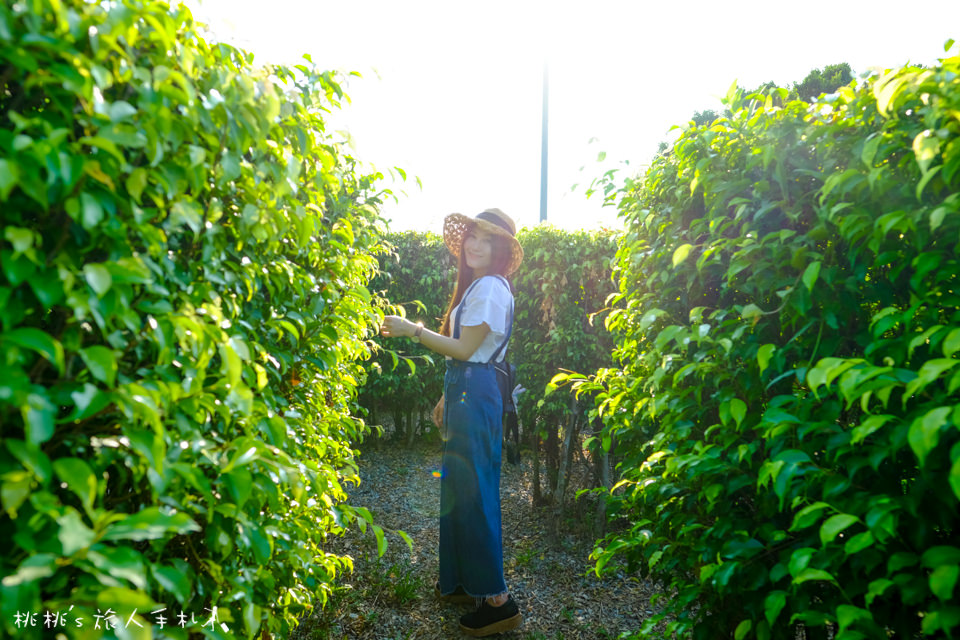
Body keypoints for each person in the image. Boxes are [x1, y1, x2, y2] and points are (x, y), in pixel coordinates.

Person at [380, 208, 524, 637]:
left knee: (475, 492)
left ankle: (498, 601)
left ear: (501, 250)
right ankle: (465, 583)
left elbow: (465, 350)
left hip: (476, 394)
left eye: (487, 240)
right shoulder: (479, 287)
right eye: (473, 237)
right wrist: (447, 394)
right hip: (467, 390)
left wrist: (413, 330)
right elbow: (467, 355)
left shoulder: (492, 290)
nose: (475, 245)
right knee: (459, 489)